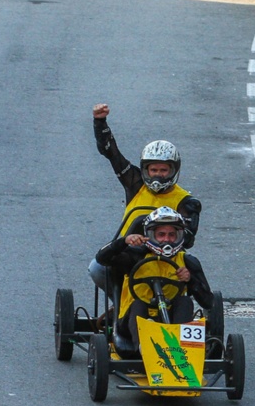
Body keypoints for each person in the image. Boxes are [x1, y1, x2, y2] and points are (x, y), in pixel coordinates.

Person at [89, 103, 202, 293]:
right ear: (145, 170)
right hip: (129, 253)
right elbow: (111, 153)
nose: (158, 175)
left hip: (168, 257)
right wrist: (100, 122)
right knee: (97, 269)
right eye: (153, 170)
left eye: (164, 170)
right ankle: (120, 306)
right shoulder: (135, 184)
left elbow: (188, 239)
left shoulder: (187, 202)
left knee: (192, 269)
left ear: (173, 170)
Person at [95, 206, 213, 352]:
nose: (167, 240)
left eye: (171, 235)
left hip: (171, 321)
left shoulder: (187, 261)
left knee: (185, 302)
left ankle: (183, 350)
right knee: (139, 305)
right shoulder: (134, 256)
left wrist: (190, 280)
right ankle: (145, 348)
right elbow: (101, 259)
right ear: (150, 235)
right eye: (161, 234)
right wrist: (124, 241)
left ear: (179, 236)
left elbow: (208, 301)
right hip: (131, 320)